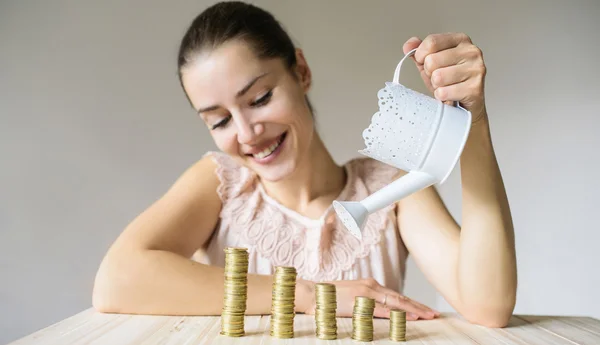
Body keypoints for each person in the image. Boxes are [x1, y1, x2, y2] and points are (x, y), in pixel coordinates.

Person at [92, 1, 517, 327]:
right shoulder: (222, 185)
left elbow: (488, 304)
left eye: (259, 99)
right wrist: (310, 295)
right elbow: (116, 280)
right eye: (219, 120)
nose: (246, 133)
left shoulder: (393, 189)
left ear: (302, 71)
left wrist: (473, 122)